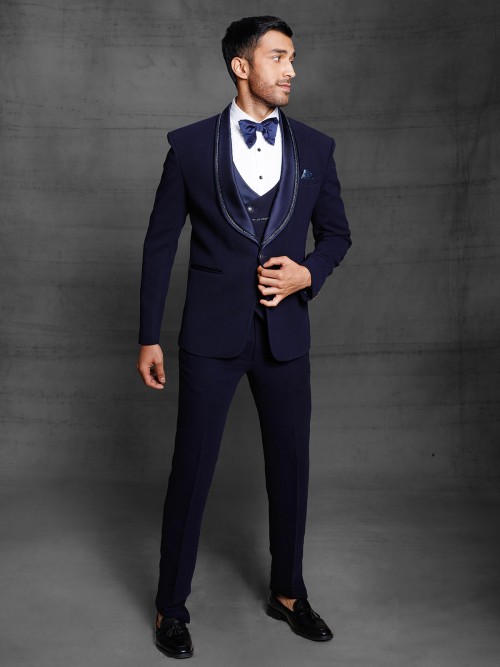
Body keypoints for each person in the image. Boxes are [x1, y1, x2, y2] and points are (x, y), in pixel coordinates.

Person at [137, 15, 351, 659]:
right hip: (210, 335)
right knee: (191, 469)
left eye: (293, 58)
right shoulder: (188, 146)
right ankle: (170, 607)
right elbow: (159, 244)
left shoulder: (316, 148)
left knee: (291, 468)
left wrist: (308, 272)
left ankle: (289, 592)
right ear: (241, 66)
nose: (292, 70)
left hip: (285, 335)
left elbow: (337, 235)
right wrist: (148, 335)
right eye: (279, 57)